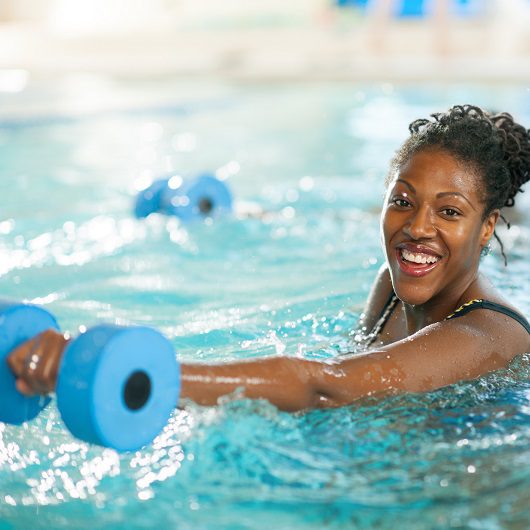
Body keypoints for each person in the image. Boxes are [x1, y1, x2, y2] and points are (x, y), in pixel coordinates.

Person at [6, 104, 530, 412]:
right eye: (402, 202)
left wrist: (135, 373)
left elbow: (327, 382)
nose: (417, 228)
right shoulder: (391, 286)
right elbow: (345, 374)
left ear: (486, 227)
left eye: (449, 212)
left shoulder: (490, 334)